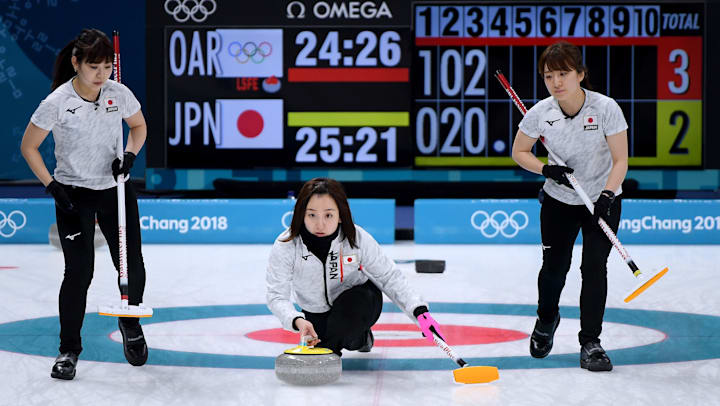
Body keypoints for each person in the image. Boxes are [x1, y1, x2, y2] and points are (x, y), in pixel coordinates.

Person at [20, 28, 149, 380]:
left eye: (107, 66)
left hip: (115, 191)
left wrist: (129, 154)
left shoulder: (118, 93)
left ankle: (131, 324)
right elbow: (28, 146)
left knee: (130, 264)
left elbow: (138, 127)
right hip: (72, 195)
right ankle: (68, 350)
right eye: (94, 67)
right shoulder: (57, 102)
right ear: (76, 63)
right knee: (79, 274)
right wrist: (51, 186)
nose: (101, 74)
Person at [511, 41, 628, 372]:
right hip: (559, 201)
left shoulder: (606, 109)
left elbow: (621, 160)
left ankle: (591, 342)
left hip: (602, 201)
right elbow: (520, 151)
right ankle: (546, 319)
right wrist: (545, 169)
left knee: (593, 268)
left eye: (563, 74)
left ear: (581, 74)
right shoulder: (540, 113)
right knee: (554, 269)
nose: (556, 82)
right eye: (549, 76)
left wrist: (607, 194)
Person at [266, 177, 444, 356]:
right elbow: (276, 296)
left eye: (329, 215)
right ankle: (359, 338)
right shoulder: (286, 245)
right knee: (333, 337)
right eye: (312, 215)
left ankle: (337, 346)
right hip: (315, 311)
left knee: (340, 329)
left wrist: (419, 312)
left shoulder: (356, 238)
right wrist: (297, 320)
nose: (320, 224)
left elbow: (389, 277)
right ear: (301, 214)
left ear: (340, 215)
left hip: (359, 301)